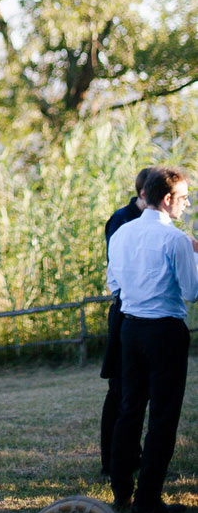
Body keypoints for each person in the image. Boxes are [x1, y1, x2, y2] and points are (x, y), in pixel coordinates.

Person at [107, 166, 198, 513]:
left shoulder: (122, 234)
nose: (187, 205)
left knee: (129, 410)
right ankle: (147, 500)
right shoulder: (175, 239)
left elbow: (113, 283)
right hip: (165, 332)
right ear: (166, 198)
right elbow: (191, 292)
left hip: (130, 330)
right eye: (185, 198)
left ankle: (121, 491)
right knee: (162, 416)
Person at [99, 167, 150, 476]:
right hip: (126, 310)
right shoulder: (122, 220)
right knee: (119, 390)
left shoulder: (148, 219)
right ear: (146, 193)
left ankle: (133, 454)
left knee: (135, 390)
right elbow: (117, 271)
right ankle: (112, 460)